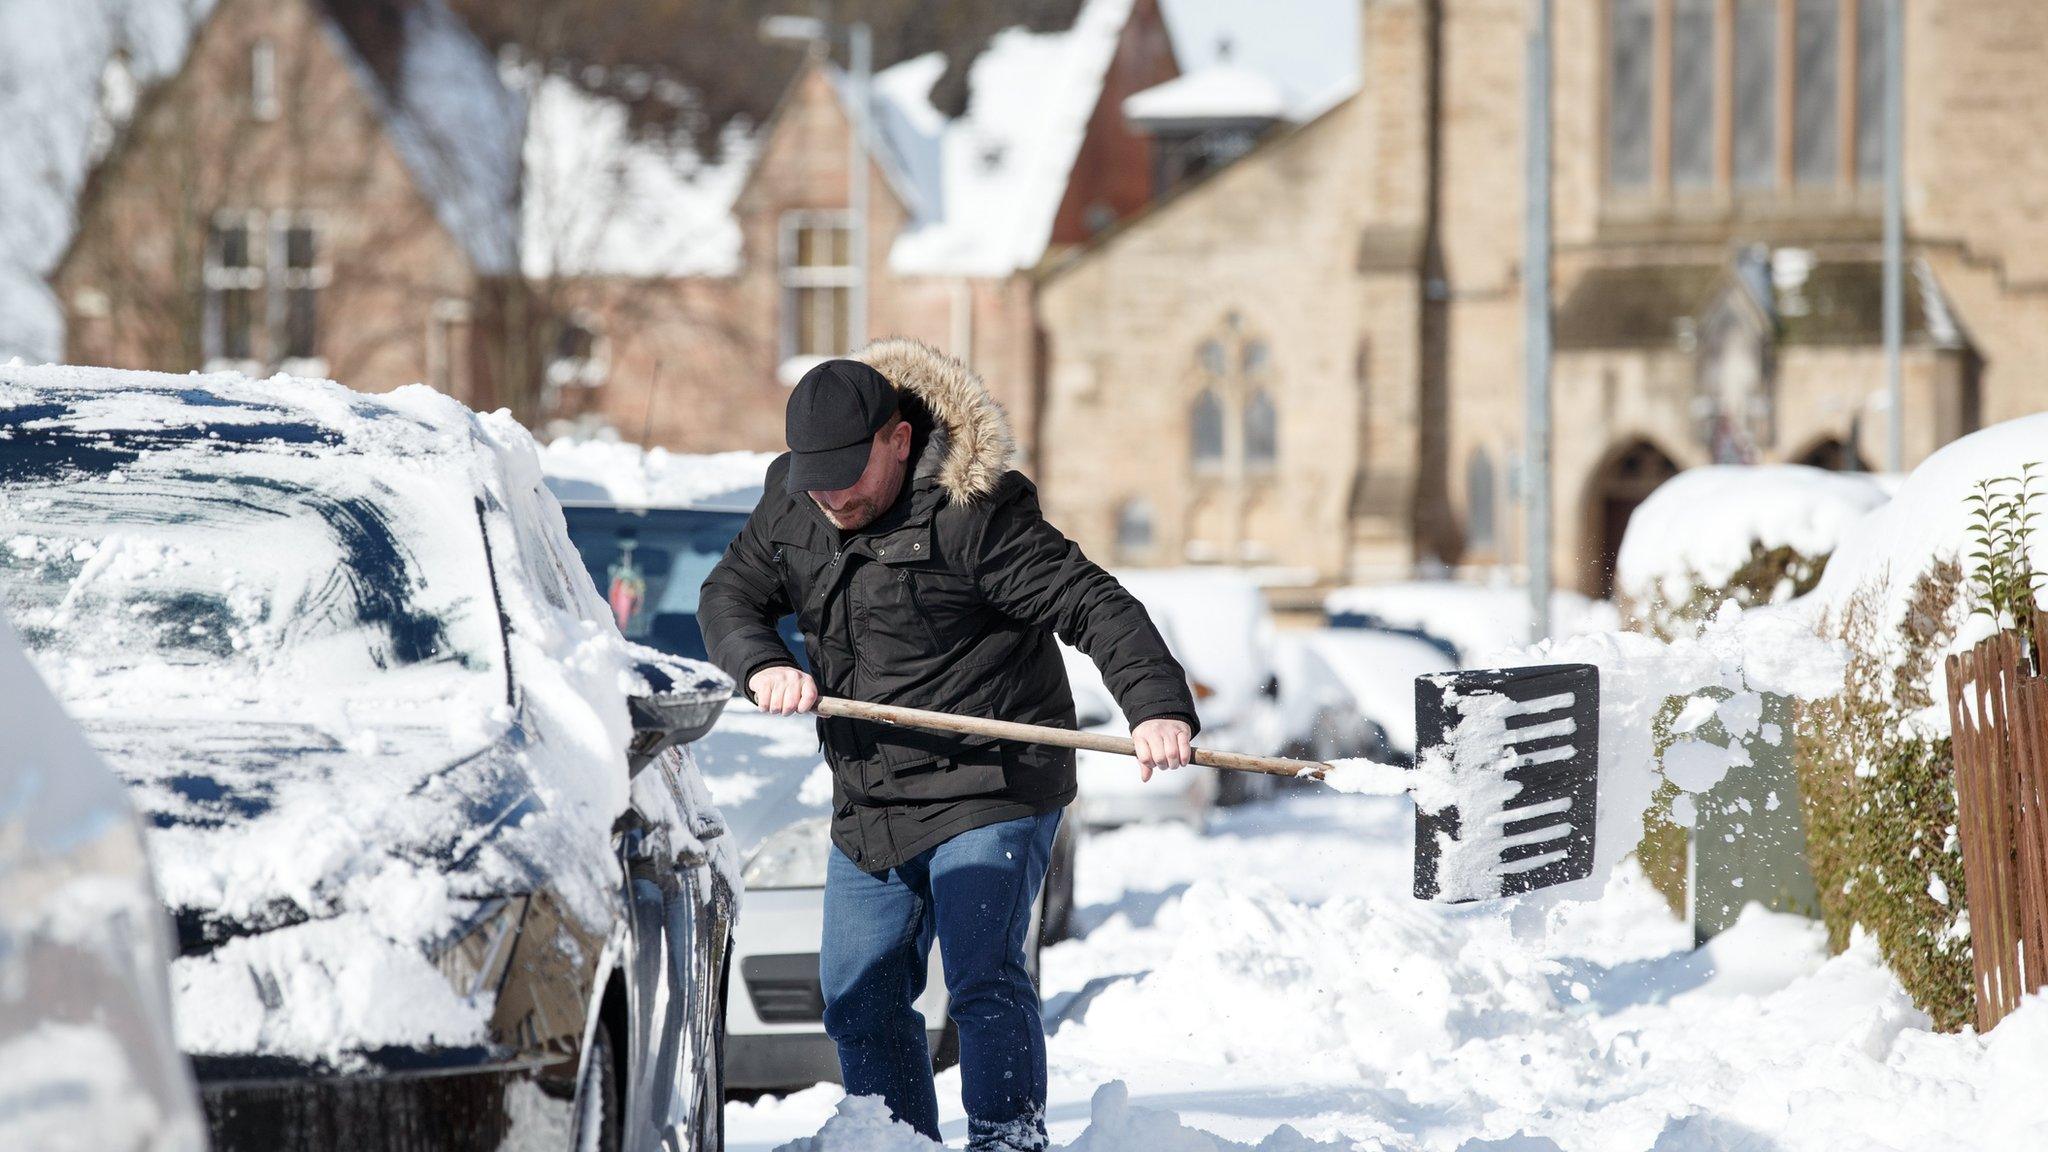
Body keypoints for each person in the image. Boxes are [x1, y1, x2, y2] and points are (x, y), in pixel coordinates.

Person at [700, 339, 1198, 1150]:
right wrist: (759, 661)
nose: (829, 496)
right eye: (812, 475)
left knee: (981, 980)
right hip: (873, 793)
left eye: (845, 474)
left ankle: (1008, 1139)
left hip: (990, 784)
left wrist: (1155, 707)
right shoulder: (794, 504)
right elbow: (729, 596)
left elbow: (1091, 603)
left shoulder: (974, 512)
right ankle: (894, 1138)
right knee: (857, 993)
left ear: (898, 439)